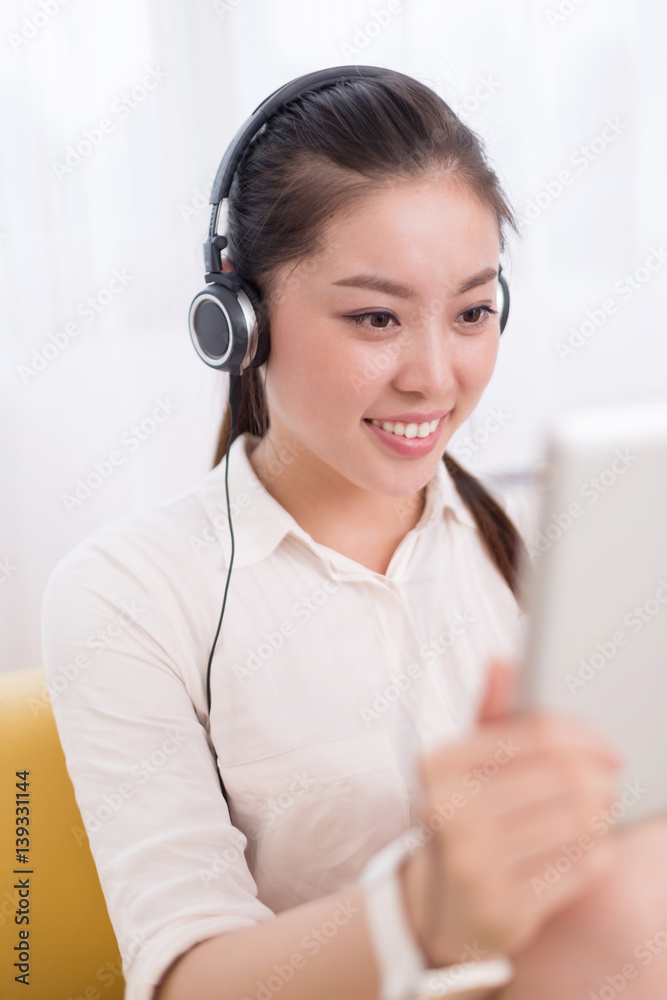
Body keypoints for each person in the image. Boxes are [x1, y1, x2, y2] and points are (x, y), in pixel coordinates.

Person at [41, 68, 667, 1000]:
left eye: (471, 312)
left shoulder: (557, 544)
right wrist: (416, 912)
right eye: (374, 317)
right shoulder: (133, 592)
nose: (432, 376)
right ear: (239, 323)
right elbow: (181, 979)